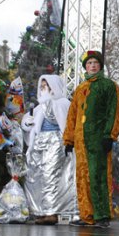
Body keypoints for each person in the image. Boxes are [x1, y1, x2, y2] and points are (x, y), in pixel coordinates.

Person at [63, 50, 119, 228]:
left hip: (98, 140)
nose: (93, 65)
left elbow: (115, 111)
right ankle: (87, 214)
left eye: (96, 62)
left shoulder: (108, 85)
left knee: (98, 176)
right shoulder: (80, 88)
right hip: (81, 142)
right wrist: (69, 139)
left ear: (101, 65)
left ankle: (102, 215)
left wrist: (109, 135)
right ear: (85, 67)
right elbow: (72, 115)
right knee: (82, 176)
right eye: (89, 63)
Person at [21, 74, 76, 225]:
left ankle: (52, 212)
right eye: (43, 86)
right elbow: (27, 122)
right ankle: (40, 211)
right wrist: (27, 123)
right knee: (37, 176)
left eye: (48, 86)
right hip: (39, 144)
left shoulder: (63, 103)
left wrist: (48, 104)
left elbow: (61, 120)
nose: (45, 89)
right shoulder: (40, 106)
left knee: (51, 176)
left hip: (55, 142)